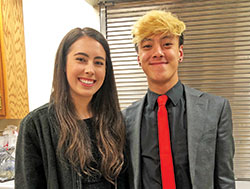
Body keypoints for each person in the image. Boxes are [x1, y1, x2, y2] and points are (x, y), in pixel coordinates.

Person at [122, 10, 235, 189]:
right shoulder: (124, 120)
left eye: (167, 44)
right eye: (147, 46)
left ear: (180, 53)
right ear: (138, 58)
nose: (157, 52)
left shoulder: (215, 109)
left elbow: (225, 180)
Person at [15, 27, 127, 189]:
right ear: (63, 65)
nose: (90, 70)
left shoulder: (115, 122)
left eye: (98, 62)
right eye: (81, 59)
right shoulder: (36, 126)